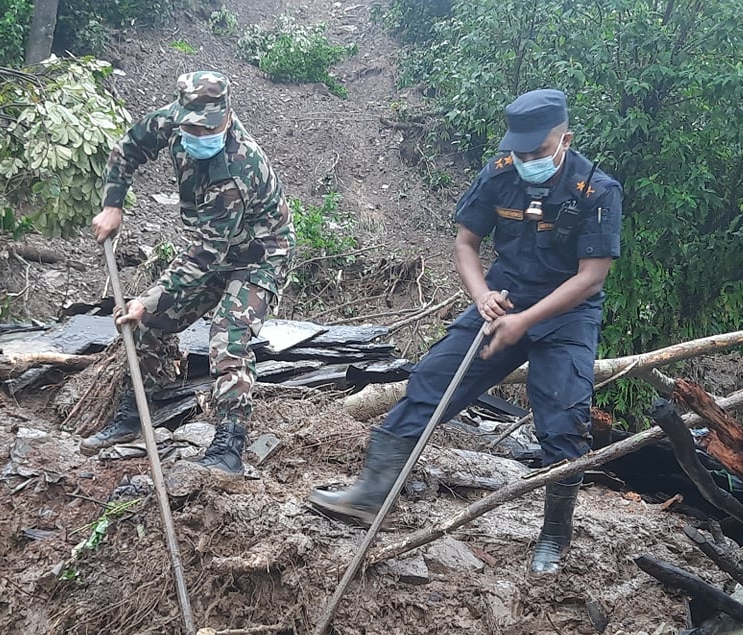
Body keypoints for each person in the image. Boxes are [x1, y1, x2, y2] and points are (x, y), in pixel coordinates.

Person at [308, 89, 622, 575]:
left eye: (536, 153)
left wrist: (526, 322)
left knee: (563, 422)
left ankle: (554, 537)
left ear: (565, 139)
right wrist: (481, 297)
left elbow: (591, 276)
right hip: (501, 301)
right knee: (431, 381)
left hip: (566, 315)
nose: (525, 162)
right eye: (519, 152)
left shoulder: (596, 191)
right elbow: (465, 243)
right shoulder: (500, 174)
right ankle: (368, 496)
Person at [81, 70, 295, 476]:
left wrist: (148, 297)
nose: (198, 135)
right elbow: (128, 147)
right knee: (147, 322)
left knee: (227, 339)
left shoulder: (239, 167)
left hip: (258, 255)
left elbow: (206, 255)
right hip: (213, 248)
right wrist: (114, 203)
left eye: (207, 130)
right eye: (191, 128)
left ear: (227, 118)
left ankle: (229, 444)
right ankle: (145, 406)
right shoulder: (173, 120)